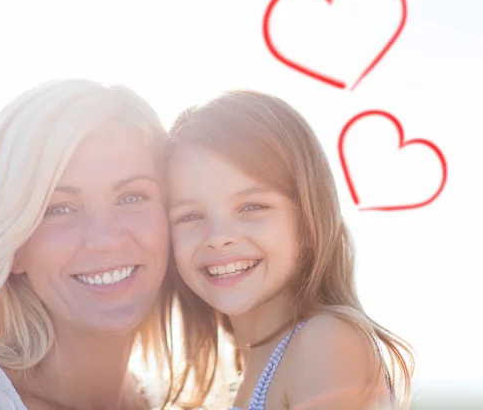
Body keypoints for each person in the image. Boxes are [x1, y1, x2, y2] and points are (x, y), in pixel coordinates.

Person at [0, 79, 188, 410]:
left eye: (131, 197)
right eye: (59, 208)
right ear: (13, 246)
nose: (105, 239)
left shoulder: (169, 400)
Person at [166, 90, 415, 410]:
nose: (219, 237)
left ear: (308, 220)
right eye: (190, 216)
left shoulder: (326, 344)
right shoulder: (250, 368)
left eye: (252, 206)